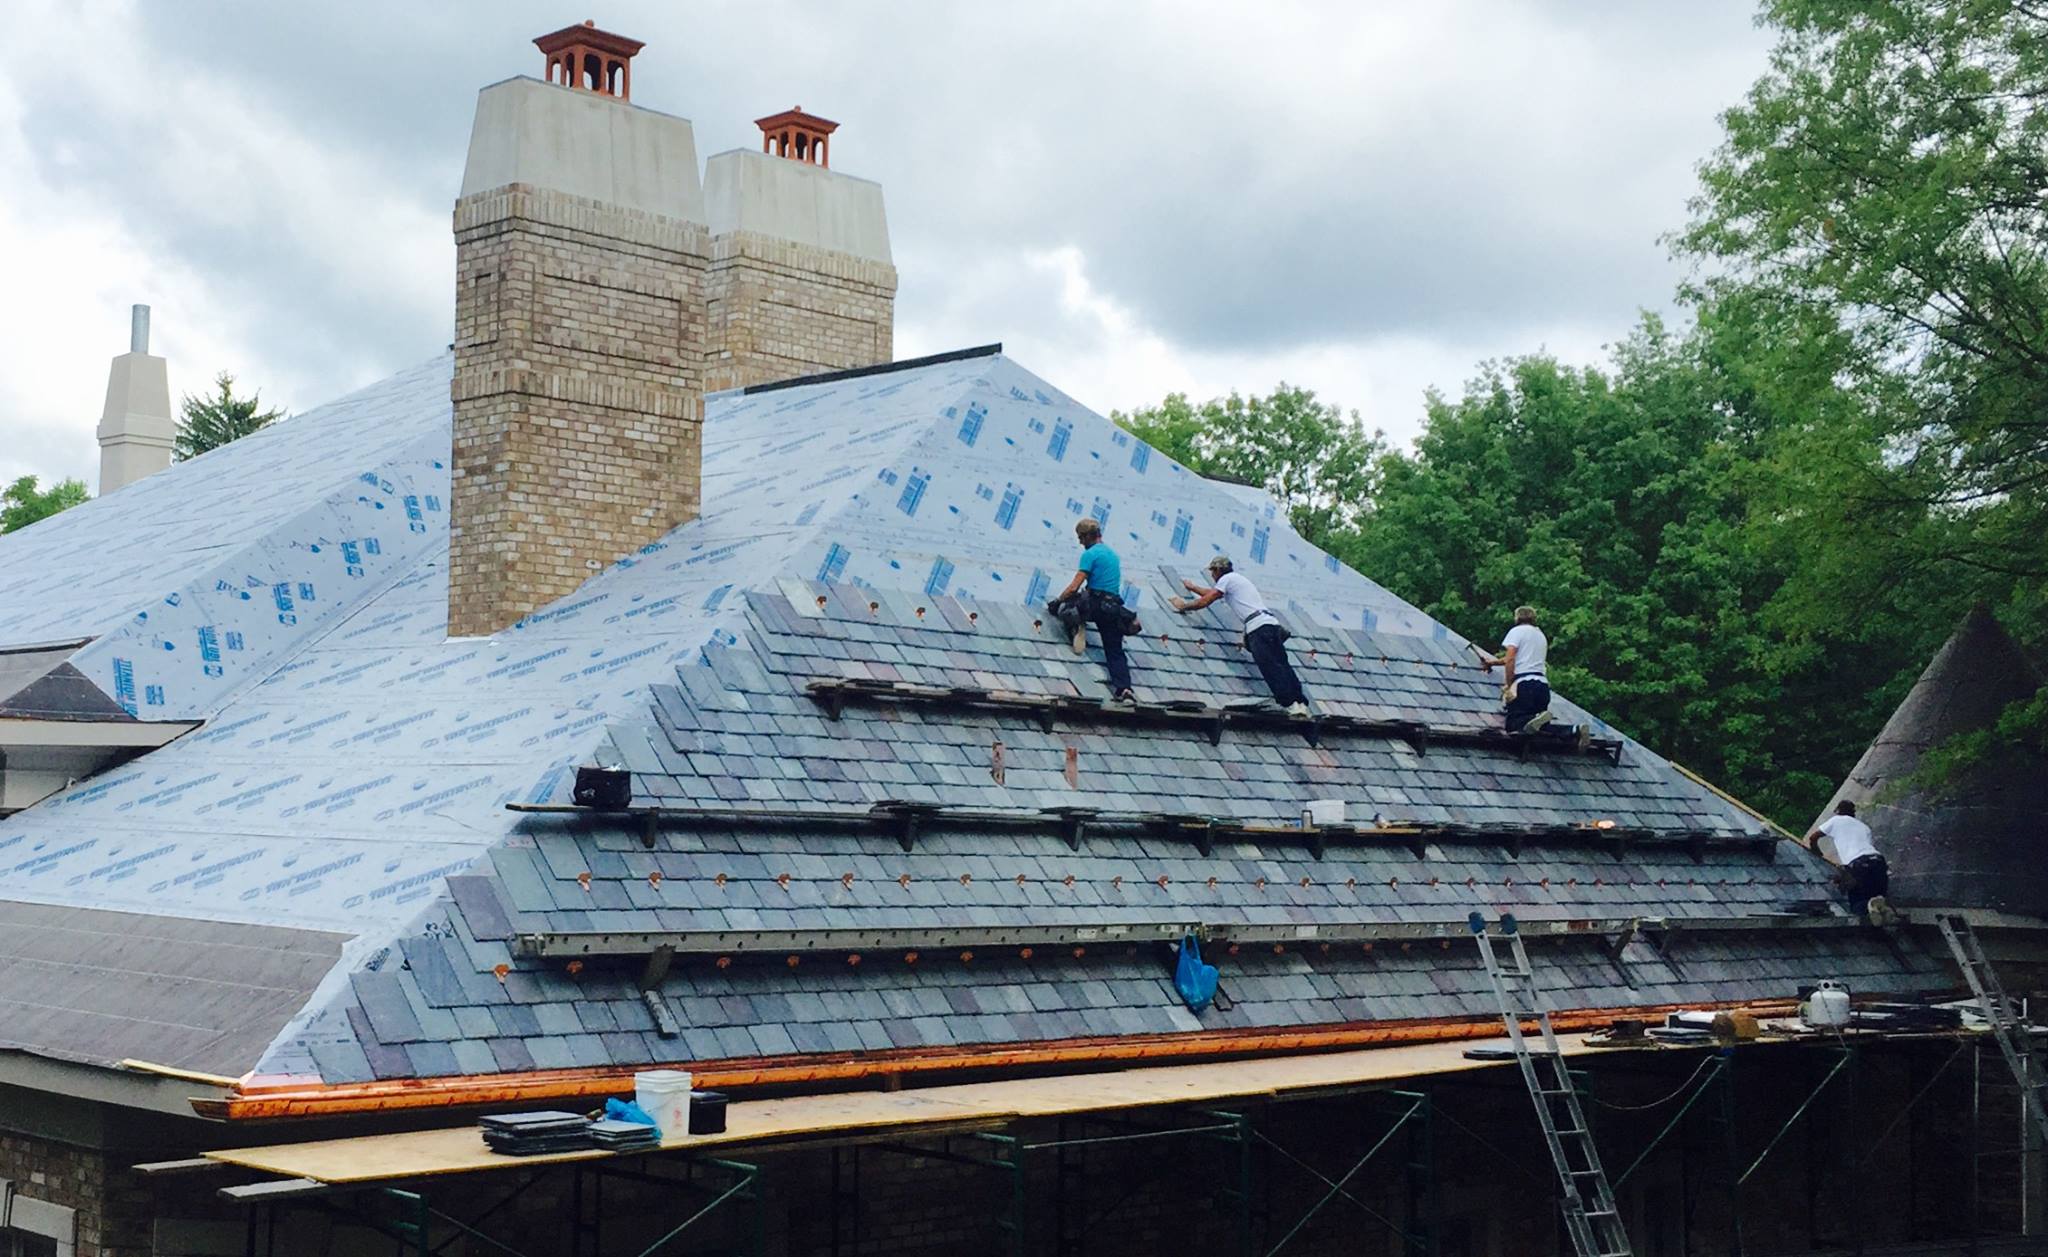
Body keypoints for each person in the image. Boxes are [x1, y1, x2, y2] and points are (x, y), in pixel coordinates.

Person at [1169, 555, 1309, 716]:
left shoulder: (1227, 579)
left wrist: (1184, 606)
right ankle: (1299, 703)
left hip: (1259, 628)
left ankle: (1289, 703)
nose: (1212, 576)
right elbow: (1212, 593)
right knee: (1281, 664)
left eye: (1212, 572)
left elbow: (1206, 601)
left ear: (1218, 570)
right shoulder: (1236, 580)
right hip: (1270, 625)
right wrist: (1193, 588)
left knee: (1270, 667)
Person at [1050, 518, 1135, 703]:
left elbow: (1074, 587)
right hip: (1113, 608)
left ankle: (1077, 626)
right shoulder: (1112, 554)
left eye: (1081, 537)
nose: (1080, 542)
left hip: (1095, 604)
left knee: (1067, 608)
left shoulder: (1090, 554)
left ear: (1089, 536)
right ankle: (1124, 689)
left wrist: (1057, 602)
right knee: (1114, 650)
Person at [1806, 800, 1895, 924]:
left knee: (1858, 906)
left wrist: (1817, 852)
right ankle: (1882, 908)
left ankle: (1869, 912)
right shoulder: (1864, 827)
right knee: (1877, 899)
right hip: (1878, 861)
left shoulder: (1836, 820)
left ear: (1838, 811)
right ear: (1853, 813)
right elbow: (1866, 850)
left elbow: (1813, 837)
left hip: (1859, 863)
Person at [1477, 605, 1554, 734]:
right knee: (1540, 730)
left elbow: (1511, 658)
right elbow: (1522, 658)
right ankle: (1573, 731)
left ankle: (1534, 718)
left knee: (1513, 724)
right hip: (1542, 685)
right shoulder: (1540, 635)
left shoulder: (1517, 631)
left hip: (1525, 684)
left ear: (1517, 617)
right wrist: (1493, 662)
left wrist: (1508, 684)